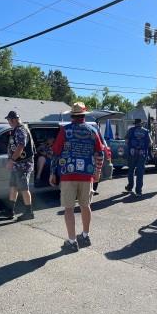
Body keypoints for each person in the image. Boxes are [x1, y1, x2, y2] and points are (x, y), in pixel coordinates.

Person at [50, 102, 104, 253]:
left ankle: (72, 241)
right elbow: (100, 153)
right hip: (87, 175)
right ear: (84, 115)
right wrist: (98, 171)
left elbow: (56, 153)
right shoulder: (93, 131)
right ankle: (85, 236)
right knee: (85, 206)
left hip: (68, 174)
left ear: (72, 116)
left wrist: (53, 173)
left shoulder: (64, 131)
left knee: (69, 208)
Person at [5, 111, 35, 221]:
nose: (9, 122)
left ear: (14, 119)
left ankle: (29, 212)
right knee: (13, 186)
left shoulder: (21, 130)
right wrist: (12, 160)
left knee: (23, 188)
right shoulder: (15, 130)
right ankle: (10, 211)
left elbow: (21, 146)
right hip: (17, 164)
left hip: (23, 164)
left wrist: (12, 160)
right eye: (8, 120)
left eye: (9, 120)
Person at [124, 119, 151, 197]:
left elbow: (126, 141)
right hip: (142, 153)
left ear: (135, 124)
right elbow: (150, 143)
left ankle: (130, 187)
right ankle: (138, 191)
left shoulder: (131, 130)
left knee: (131, 170)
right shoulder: (146, 131)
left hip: (132, 153)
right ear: (141, 124)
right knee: (140, 172)